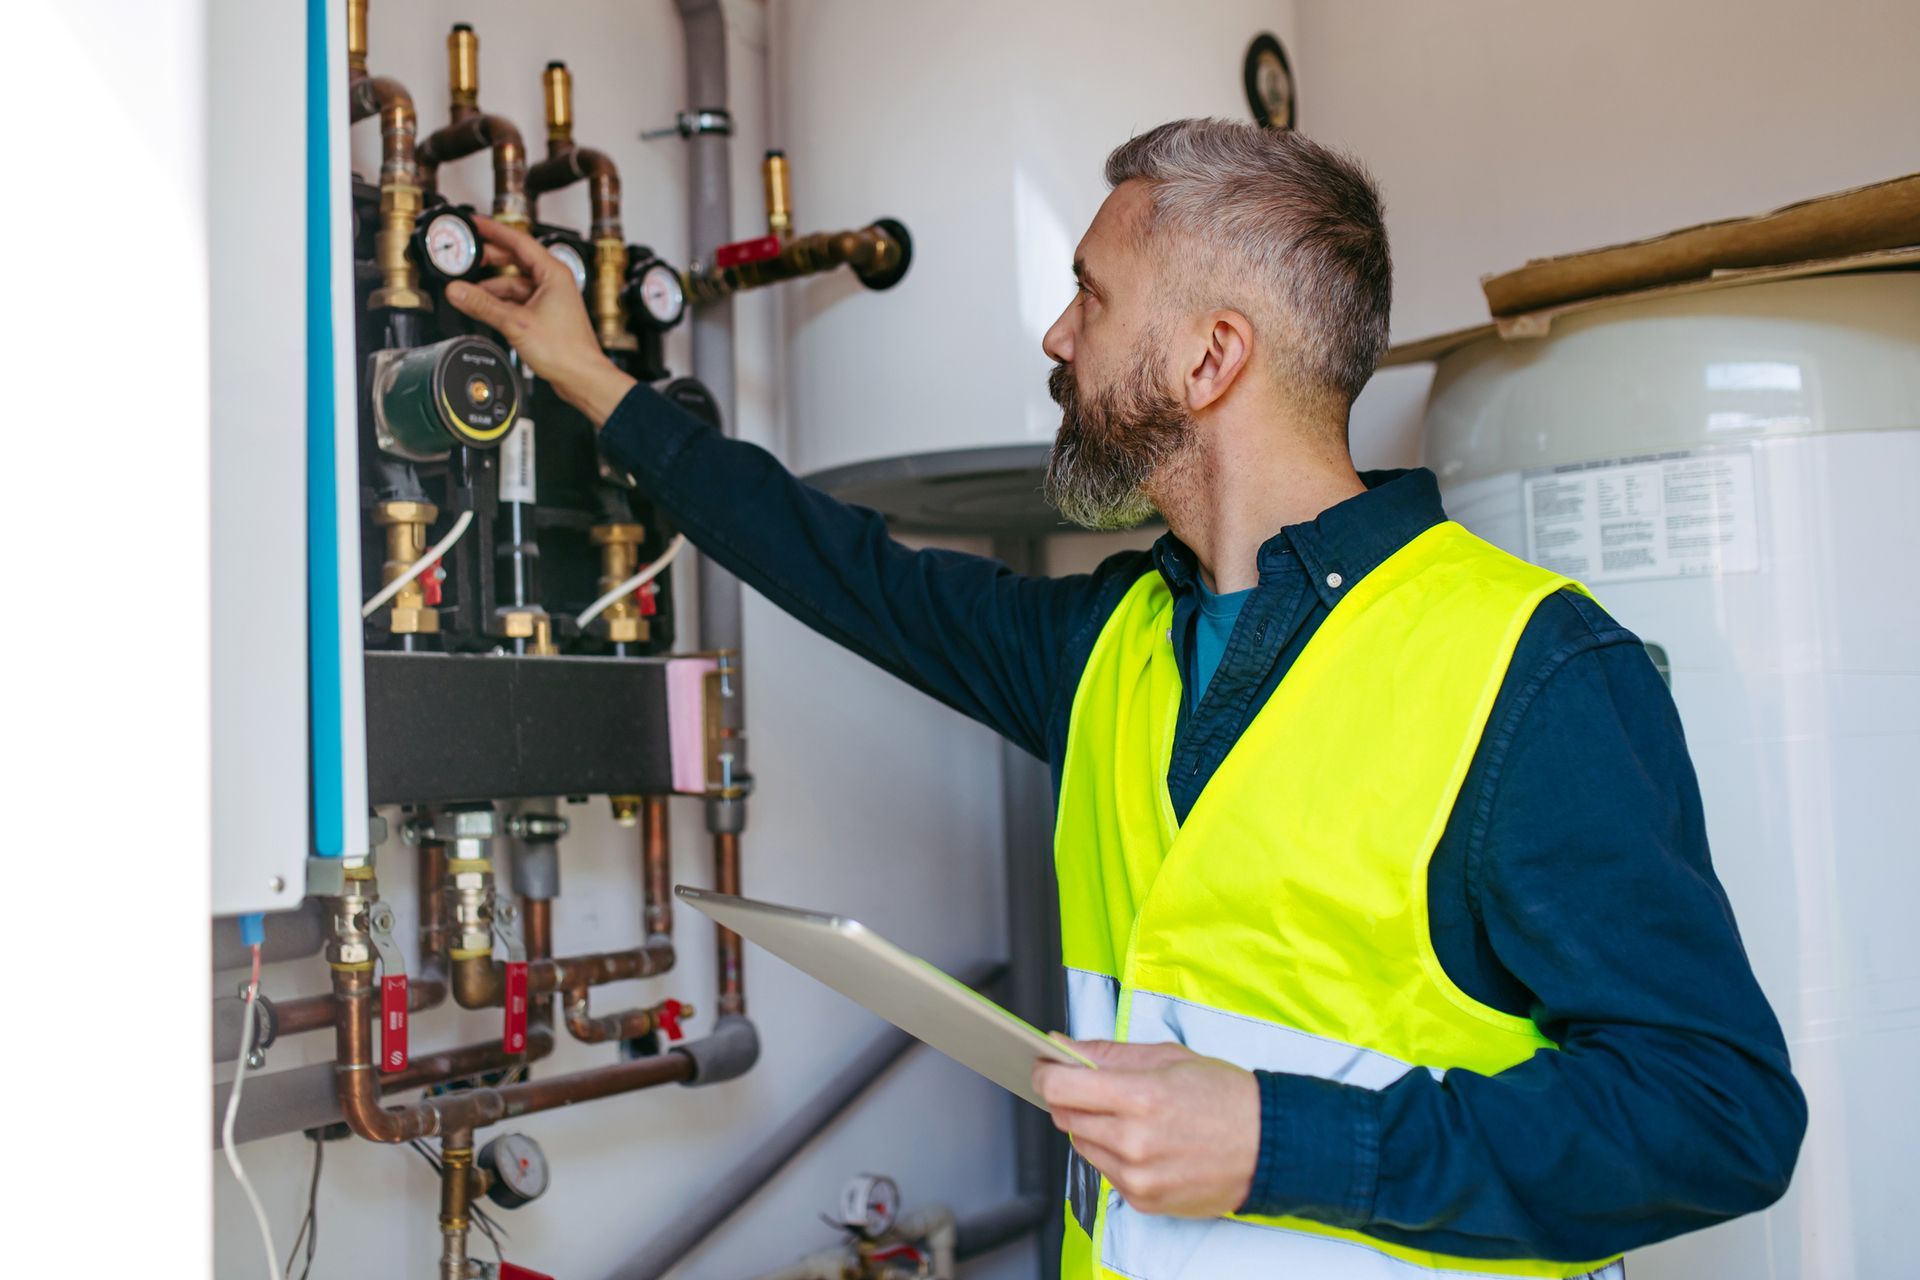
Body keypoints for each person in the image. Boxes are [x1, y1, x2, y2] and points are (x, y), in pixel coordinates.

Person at [447, 118, 1804, 1279]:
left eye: (1092, 297)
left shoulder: (1534, 671)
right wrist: (590, 379)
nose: (1055, 333)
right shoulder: (1110, 647)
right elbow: (839, 567)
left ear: (1212, 360)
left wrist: (1282, 1141)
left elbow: (1718, 1113)